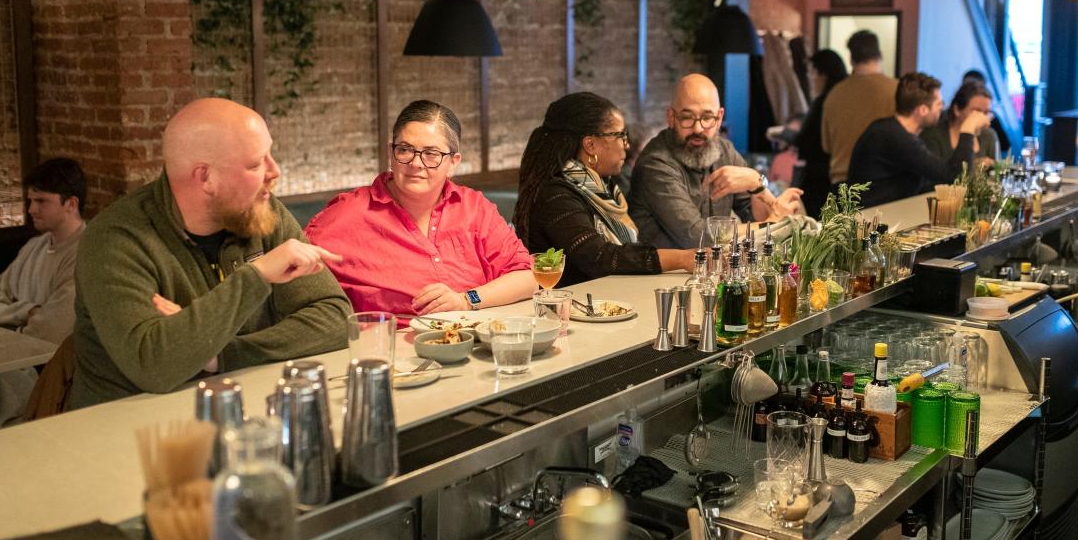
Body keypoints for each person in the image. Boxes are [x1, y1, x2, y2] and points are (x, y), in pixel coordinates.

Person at [68, 98, 352, 408]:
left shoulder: (262, 213)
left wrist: (221, 356)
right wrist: (258, 275)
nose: (275, 171)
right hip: (122, 429)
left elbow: (335, 318)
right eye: (256, 164)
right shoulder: (116, 240)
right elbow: (154, 366)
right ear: (205, 177)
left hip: (236, 407)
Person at [306, 100, 536, 316]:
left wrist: (466, 300)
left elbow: (527, 277)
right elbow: (294, 275)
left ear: (453, 163)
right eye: (405, 150)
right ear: (391, 153)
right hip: (391, 347)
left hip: (476, 344)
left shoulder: (474, 208)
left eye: (431, 154)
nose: (416, 163)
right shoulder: (348, 213)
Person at [0, 159, 87, 435]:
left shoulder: (85, 253)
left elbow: (51, 333)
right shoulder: (33, 247)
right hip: (9, 357)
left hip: (51, 371)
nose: (31, 210)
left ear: (71, 204)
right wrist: (26, 311)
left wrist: (10, 321)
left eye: (41, 201)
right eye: (30, 201)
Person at [513, 93, 696, 285]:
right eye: (620, 135)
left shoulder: (603, 187)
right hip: (570, 308)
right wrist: (681, 259)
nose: (627, 144)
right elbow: (599, 257)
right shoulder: (556, 195)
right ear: (590, 145)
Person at [628, 74, 802, 249]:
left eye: (707, 118)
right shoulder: (655, 164)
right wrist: (770, 224)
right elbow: (697, 238)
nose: (698, 128)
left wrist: (757, 184)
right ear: (671, 117)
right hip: (661, 274)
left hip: (709, 271)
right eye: (687, 118)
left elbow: (758, 216)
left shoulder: (725, 152)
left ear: (719, 118)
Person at [847, 72, 991, 207]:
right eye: (939, 104)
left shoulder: (891, 130)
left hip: (888, 216)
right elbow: (955, 176)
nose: (943, 108)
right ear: (923, 110)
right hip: (872, 222)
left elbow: (932, 177)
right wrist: (968, 129)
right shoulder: (895, 137)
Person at [821, 30, 899, 185]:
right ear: (880, 55)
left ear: (850, 59)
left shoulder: (834, 94)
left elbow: (827, 146)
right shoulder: (897, 90)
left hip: (842, 182)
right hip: (885, 181)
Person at [793, 49, 848, 218]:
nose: (811, 79)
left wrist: (791, 135)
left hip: (821, 177)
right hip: (837, 175)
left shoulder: (826, 100)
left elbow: (810, 141)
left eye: (813, 73)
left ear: (823, 74)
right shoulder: (843, 96)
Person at [922, 81, 999, 168]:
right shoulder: (934, 136)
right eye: (976, 111)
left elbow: (997, 173)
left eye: (986, 112)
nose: (982, 118)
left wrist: (993, 165)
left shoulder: (989, 136)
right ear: (957, 110)